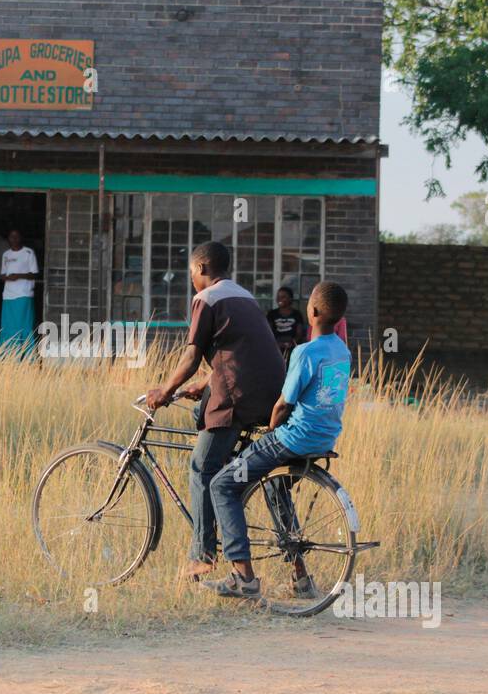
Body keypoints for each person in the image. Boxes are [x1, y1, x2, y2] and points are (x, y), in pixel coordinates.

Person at [144, 241, 285, 581]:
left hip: (237, 396)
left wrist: (165, 390)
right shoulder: (245, 296)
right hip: (271, 395)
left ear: (202, 268)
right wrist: (206, 383)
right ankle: (296, 564)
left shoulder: (205, 299)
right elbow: (238, 353)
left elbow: (191, 357)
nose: (191, 278)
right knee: (247, 469)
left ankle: (202, 556)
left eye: (191, 271)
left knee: (202, 467)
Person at [205, 281, 351, 599]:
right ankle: (300, 577)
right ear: (339, 317)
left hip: (294, 437)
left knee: (222, 485)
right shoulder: (343, 351)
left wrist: (271, 430)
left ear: (311, 313)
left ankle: (243, 577)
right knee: (274, 485)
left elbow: (284, 404)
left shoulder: (305, 351)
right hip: (324, 436)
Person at [0, 229, 39, 355]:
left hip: (24, 294)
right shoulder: (6, 254)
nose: (14, 239)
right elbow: (2, 274)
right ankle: (8, 356)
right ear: (8, 239)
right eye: (11, 237)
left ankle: (27, 357)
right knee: (9, 327)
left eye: (16, 236)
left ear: (21, 238)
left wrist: (19, 276)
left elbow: (34, 274)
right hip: (8, 296)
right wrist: (6, 277)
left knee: (24, 326)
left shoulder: (28, 253)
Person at [267, 286, 307, 364]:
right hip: (276, 345)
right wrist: (277, 344)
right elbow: (268, 332)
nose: (279, 299)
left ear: (290, 299)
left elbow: (299, 333)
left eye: (283, 297)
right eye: (278, 297)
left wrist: (292, 343)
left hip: (292, 345)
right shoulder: (272, 314)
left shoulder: (297, 314)